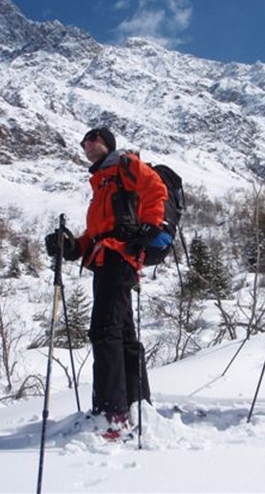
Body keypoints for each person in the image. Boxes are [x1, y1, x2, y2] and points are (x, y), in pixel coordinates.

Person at [45, 127, 168, 438]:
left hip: (119, 258)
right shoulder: (102, 184)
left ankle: (110, 415)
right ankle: (138, 406)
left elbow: (155, 188)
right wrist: (71, 246)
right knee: (123, 335)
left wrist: (149, 228)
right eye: (84, 142)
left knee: (104, 331)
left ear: (107, 144)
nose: (88, 145)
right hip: (107, 260)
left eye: (94, 140)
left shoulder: (123, 165)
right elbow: (96, 236)